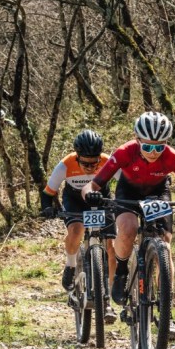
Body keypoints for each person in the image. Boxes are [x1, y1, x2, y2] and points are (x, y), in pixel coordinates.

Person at [81, 111, 175, 339]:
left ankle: (166, 310)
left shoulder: (172, 157)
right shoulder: (124, 152)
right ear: (137, 140)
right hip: (128, 192)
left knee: (165, 244)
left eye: (159, 147)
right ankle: (122, 270)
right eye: (148, 147)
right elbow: (92, 185)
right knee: (128, 229)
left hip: (158, 193)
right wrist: (90, 195)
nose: (154, 152)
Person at [41, 130, 117, 324]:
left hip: (101, 199)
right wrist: (47, 208)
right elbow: (48, 192)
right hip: (75, 200)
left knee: (111, 246)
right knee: (76, 231)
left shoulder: (108, 161)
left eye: (94, 163)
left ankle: (108, 298)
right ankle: (71, 264)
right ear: (77, 157)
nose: (90, 168)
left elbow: (126, 181)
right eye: (85, 164)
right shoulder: (66, 164)